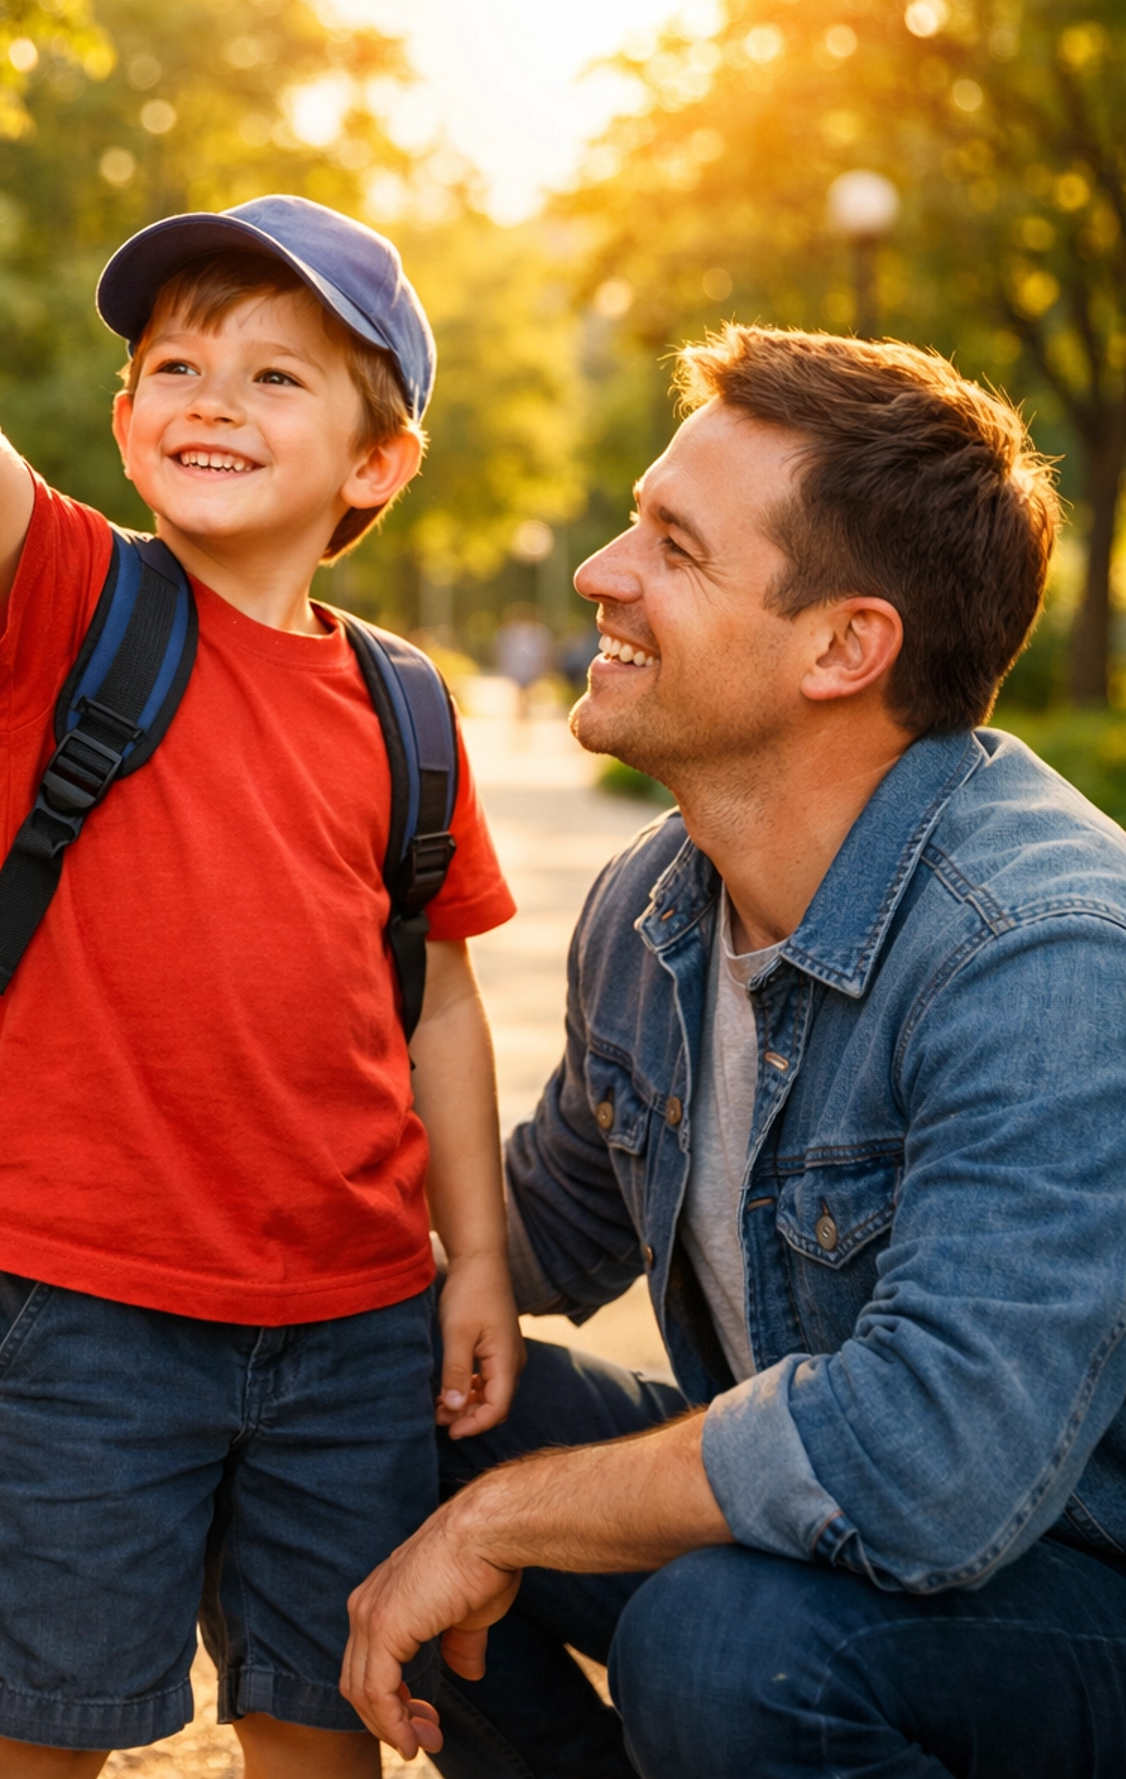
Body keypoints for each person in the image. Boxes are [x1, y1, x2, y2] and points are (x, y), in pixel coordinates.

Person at [0, 147, 525, 1779]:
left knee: (322, 1721)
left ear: (380, 462)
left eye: (276, 374)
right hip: (87, 1311)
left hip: (354, 1319)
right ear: (130, 405)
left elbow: (437, 999)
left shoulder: (408, 713)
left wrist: (475, 1260)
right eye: (175, 365)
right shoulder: (72, 610)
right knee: (33, 1731)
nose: (210, 397)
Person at [341, 325, 1126, 1778]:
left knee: (726, 1643)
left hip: (1081, 1596)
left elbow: (930, 1463)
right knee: (342, 1388)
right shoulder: (656, 909)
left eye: (674, 549)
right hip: (859, 1553)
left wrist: (499, 1521)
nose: (599, 572)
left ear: (844, 647)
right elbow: (511, 1239)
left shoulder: (1047, 954)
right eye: (634, 522)